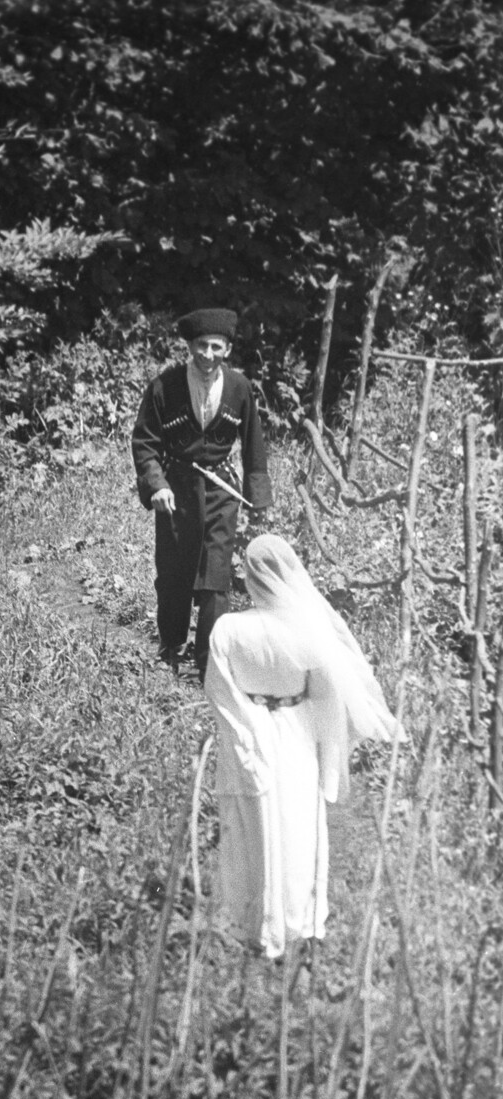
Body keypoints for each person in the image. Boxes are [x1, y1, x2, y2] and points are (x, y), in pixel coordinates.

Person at [204, 534, 402, 960]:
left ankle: (254, 924)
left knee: (253, 830)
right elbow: (325, 697)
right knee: (298, 829)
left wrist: (247, 734)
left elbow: (220, 692)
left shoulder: (229, 629)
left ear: (252, 576)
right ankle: (302, 921)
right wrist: (324, 748)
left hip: (251, 733)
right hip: (297, 736)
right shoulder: (309, 634)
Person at [131, 307, 273, 680]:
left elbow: (253, 445)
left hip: (222, 490)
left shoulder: (240, 388)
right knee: (175, 570)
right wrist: (157, 485)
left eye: (215, 347)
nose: (207, 356)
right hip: (176, 491)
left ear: (226, 349)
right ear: (189, 347)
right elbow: (145, 442)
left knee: (216, 575)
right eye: (200, 347)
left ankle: (207, 661)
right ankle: (171, 644)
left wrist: (258, 498)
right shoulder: (165, 386)